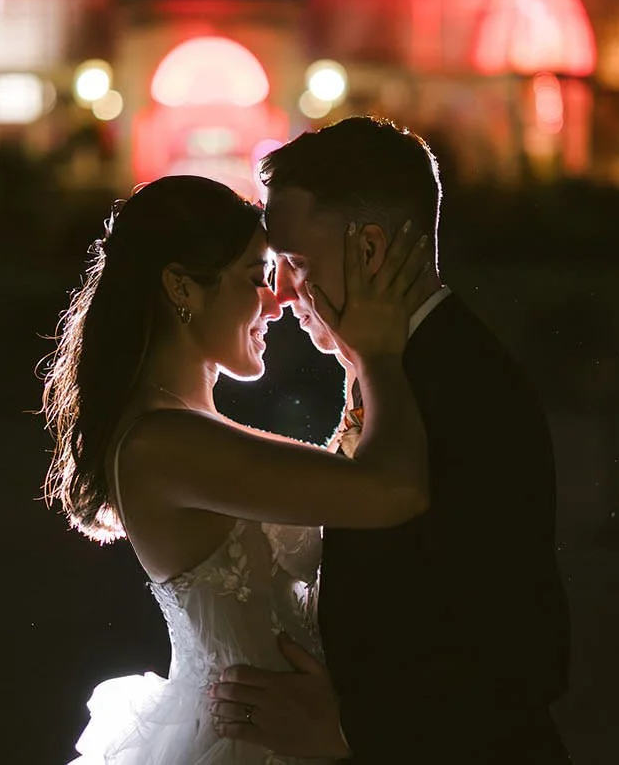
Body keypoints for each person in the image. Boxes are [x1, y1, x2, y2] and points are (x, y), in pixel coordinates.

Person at [211, 116, 572, 761]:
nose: (281, 292)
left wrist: (353, 730)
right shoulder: (397, 365)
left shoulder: (464, 388)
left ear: (370, 250)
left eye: (296, 262)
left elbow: (519, 647)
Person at [42, 174, 434, 764]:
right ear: (183, 288)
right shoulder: (163, 443)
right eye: (257, 279)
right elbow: (392, 490)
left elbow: (335, 483)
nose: (277, 301)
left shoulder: (183, 430)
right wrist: (378, 353)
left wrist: (355, 366)